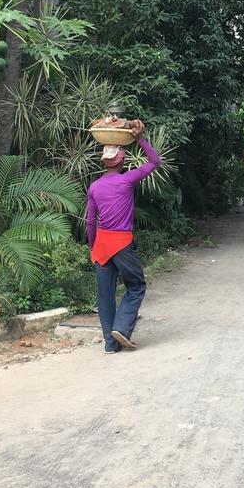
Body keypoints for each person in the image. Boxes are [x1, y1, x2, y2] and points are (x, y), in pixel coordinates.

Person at [86, 121, 160, 353]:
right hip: (121, 243)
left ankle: (110, 344)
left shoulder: (94, 187)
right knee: (136, 286)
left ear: (105, 161)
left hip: (101, 245)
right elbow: (155, 162)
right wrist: (139, 138)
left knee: (105, 295)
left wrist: (92, 247)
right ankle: (121, 328)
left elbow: (90, 222)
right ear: (121, 160)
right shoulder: (127, 180)